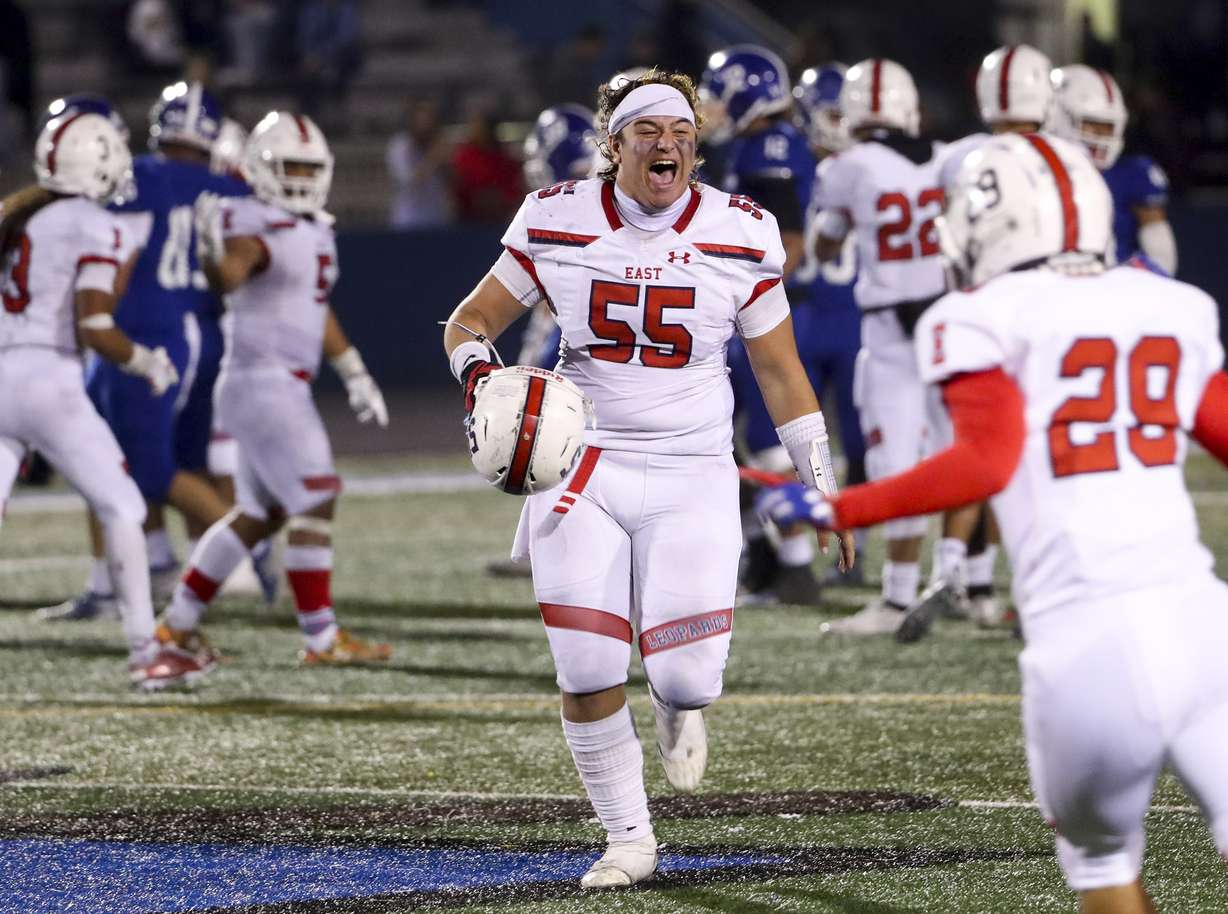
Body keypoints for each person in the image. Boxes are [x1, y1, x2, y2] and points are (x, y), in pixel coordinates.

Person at [765, 130, 1228, 914]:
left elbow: (985, 462)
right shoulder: (1171, 303)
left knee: (1104, 866)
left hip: (1083, 640)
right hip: (1201, 620)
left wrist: (841, 505)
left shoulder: (978, 315)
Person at [442, 69, 854, 889]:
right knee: (588, 667)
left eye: (682, 133)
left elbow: (779, 372)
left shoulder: (744, 230)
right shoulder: (557, 217)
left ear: (697, 148)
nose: (668, 144)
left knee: (686, 676)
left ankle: (673, 702)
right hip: (580, 464)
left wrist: (822, 484)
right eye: (649, 131)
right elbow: (471, 320)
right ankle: (629, 837)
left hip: (692, 466)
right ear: (615, 144)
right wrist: (484, 379)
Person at [160, 110, 391, 666]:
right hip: (263, 384)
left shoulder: (312, 228)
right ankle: (320, 637)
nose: (301, 177)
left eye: (309, 167)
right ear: (261, 167)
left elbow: (315, 309)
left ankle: (177, 625)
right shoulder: (252, 222)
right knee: (316, 496)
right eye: (289, 165)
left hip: (274, 383)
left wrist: (353, 369)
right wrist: (215, 255)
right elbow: (232, 274)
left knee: (256, 515)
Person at [0, 110, 206, 688]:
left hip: (3, 374)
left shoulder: (22, 216)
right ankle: (147, 651)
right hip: (48, 380)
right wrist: (144, 360)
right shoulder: (92, 222)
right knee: (124, 506)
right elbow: (96, 325)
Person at [39, 83, 256, 622]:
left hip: (139, 329)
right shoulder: (232, 190)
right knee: (182, 459)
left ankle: (237, 558)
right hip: (205, 334)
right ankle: (166, 561)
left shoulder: (138, 176)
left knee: (130, 459)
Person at [897, 43, 1058, 640]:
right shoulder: (1058, 156)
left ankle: (956, 575)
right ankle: (1026, 582)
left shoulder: (957, 156)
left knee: (978, 446)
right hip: (1041, 313)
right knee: (1038, 452)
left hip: (970, 310)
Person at [810, 58, 947, 635]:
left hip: (892, 328)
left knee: (897, 463)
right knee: (962, 450)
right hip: (952, 322)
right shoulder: (950, 157)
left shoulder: (848, 167)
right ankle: (968, 578)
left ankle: (896, 597)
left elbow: (823, 246)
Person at [700, 45, 823, 605]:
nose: (712, 106)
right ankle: (768, 559)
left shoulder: (768, 147)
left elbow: (789, 244)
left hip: (769, 311)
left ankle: (797, 568)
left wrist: (747, 305)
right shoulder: (751, 144)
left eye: (720, 92)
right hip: (760, 308)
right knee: (732, 441)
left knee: (765, 441)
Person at [790, 62, 868, 588]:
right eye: (833, 112)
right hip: (799, 314)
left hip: (858, 320)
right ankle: (790, 551)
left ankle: (855, 547)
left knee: (866, 446)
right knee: (788, 441)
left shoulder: (874, 168)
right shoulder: (785, 163)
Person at [1049, 64, 1177, 275]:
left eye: (1108, 126)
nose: (1100, 136)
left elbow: (1162, 259)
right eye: (1091, 124)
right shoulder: (1031, 172)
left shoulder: (1132, 173)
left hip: (1114, 288)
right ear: (1057, 116)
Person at [386, 99, 452, 230]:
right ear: (412, 122)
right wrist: (433, 158)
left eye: (429, 121)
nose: (426, 126)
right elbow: (409, 181)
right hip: (408, 220)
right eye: (421, 121)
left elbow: (451, 183)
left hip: (436, 218)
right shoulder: (400, 146)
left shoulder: (438, 144)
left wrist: (447, 164)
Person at [450, 111, 524, 223]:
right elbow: (458, 188)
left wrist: (497, 198)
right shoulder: (463, 156)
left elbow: (514, 191)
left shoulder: (505, 159)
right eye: (473, 127)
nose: (475, 131)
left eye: (480, 128)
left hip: (500, 222)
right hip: (468, 222)